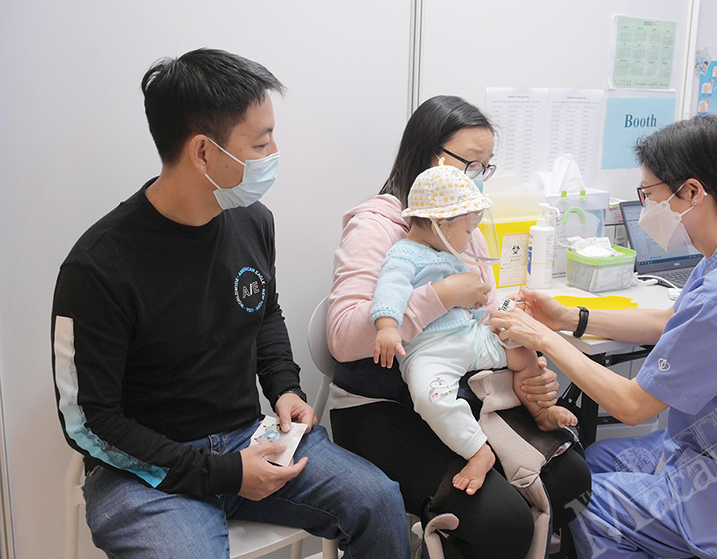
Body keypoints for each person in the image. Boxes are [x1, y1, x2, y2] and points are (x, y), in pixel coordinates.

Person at [51, 48, 409, 558]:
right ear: (203, 152)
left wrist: (284, 387)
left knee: (379, 500)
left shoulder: (252, 221)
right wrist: (222, 473)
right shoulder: (99, 267)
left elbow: (263, 314)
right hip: (145, 472)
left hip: (247, 437)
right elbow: (90, 423)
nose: (275, 152)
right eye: (261, 143)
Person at [491, 115, 717, 559]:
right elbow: (670, 320)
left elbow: (632, 406)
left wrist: (543, 338)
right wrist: (568, 317)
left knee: (579, 500)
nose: (646, 207)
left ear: (692, 192)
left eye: (649, 195)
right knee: (593, 462)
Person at [328, 95, 591, 558]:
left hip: (462, 385)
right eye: (470, 162)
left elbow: (483, 314)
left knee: (572, 478)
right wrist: (442, 295)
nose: (477, 176)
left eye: (485, 167)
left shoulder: (464, 224)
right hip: (382, 403)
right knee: (502, 521)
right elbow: (343, 337)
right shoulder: (378, 227)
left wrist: (528, 372)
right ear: (428, 156)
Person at [371, 164, 578, 495]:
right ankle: (478, 451)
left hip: (469, 336)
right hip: (429, 351)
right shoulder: (404, 254)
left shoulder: (448, 253)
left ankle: (541, 411)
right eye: (468, 231)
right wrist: (387, 326)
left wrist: (497, 313)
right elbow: (390, 288)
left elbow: (474, 309)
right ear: (439, 224)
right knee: (430, 398)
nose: (472, 238)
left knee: (520, 347)